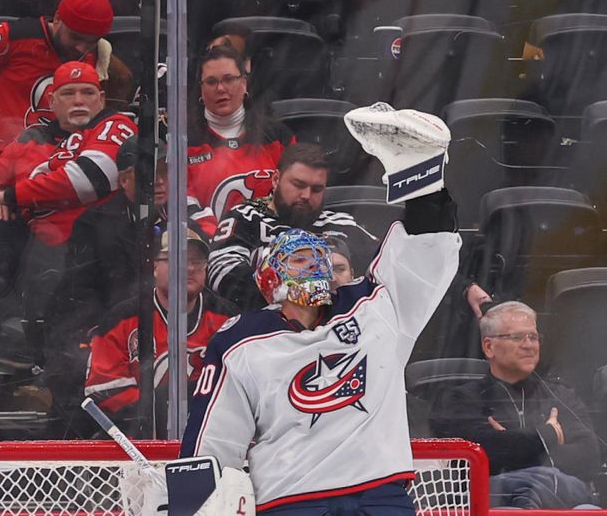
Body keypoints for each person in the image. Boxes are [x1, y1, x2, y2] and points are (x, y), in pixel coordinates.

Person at [179, 103, 462, 514]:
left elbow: (425, 255)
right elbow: (212, 441)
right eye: (298, 259)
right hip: (294, 499)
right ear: (268, 278)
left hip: (381, 494)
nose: (315, 264)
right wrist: (186, 506)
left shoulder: (375, 305)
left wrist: (419, 176)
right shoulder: (239, 340)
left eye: (319, 257)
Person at [0, 61, 137, 368]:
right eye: (68, 93)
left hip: (94, 244)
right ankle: (5, 330)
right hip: (37, 241)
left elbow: (88, 178)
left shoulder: (116, 125)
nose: (79, 100)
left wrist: (11, 196)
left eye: (87, 92)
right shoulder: (31, 139)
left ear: (101, 99)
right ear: (52, 102)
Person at [43, 136, 216, 436]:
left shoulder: (189, 222)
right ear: (124, 179)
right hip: (115, 335)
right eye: (151, 174)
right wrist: (105, 332)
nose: (161, 182)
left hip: (173, 334)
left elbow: (202, 289)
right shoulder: (95, 224)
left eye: (166, 173)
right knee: (74, 368)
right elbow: (78, 293)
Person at [430, 301, 600, 509]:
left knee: (587, 510)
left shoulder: (560, 396)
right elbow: (481, 457)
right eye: (517, 337)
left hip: (559, 500)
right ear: (489, 346)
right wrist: (547, 436)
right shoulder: (461, 400)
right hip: (491, 504)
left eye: (533, 337)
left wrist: (514, 445)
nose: (529, 345)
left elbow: (590, 456)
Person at [0, 0, 133, 155]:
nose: (82, 49)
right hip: (11, 153)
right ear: (57, 18)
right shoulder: (17, 37)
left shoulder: (101, 55)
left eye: (91, 42)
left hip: (71, 154)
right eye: (75, 37)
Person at [84, 228, 237, 436]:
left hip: (211, 442)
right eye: (179, 259)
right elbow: (102, 389)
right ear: (154, 266)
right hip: (137, 452)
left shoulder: (228, 320)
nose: (190, 268)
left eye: (197, 261)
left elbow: (243, 389)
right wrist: (157, 412)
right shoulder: (122, 319)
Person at [208, 142, 377, 311]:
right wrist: (288, 293)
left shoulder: (342, 223)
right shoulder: (246, 217)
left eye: (317, 189)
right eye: (298, 185)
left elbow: (384, 264)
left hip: (341, 325)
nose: (306, 195)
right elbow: (220, 272)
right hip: (269, 325)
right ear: (276, 179)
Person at [187, 45, 295, 220]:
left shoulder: (277, 137)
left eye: (229, 79)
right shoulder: (185, 144)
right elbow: (184, 208)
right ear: (200, 89)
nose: (221, 88)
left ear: (244, 84)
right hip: (210, 244)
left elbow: (297, 194)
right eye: (211, 81)